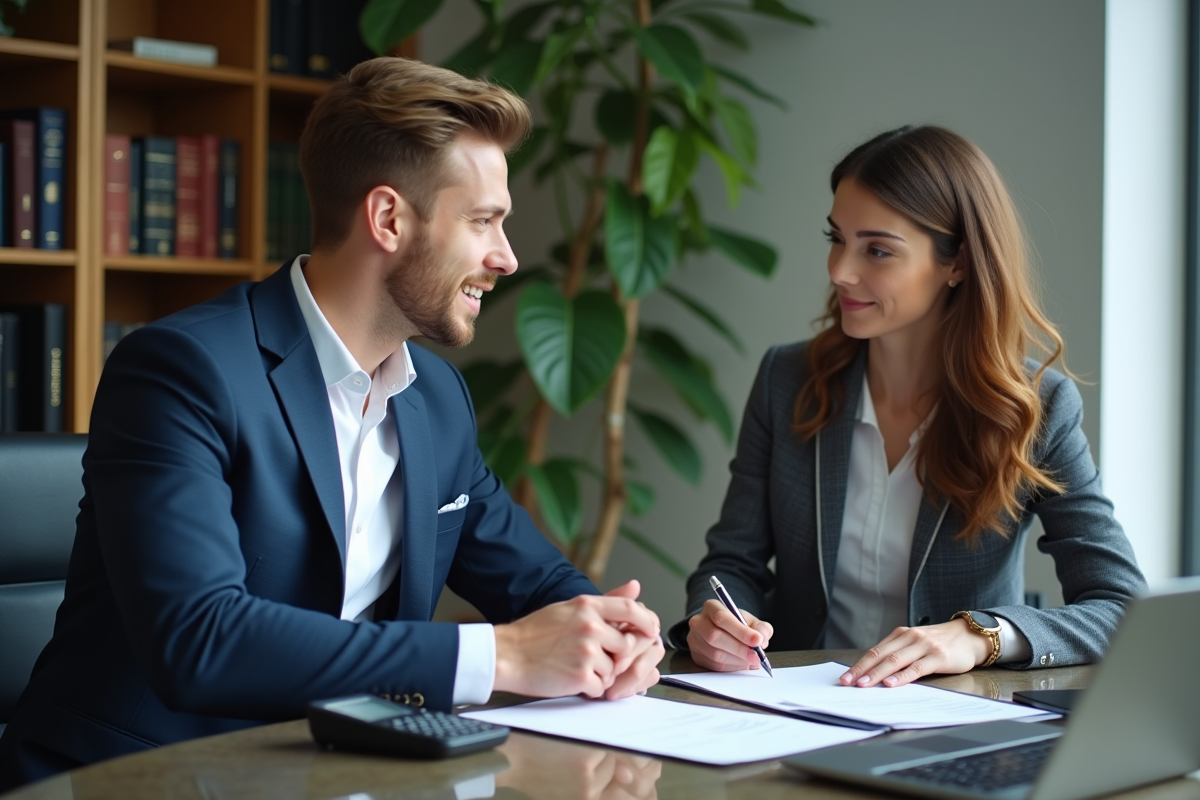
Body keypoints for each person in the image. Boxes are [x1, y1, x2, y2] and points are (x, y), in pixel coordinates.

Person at [0, 57, 663, 790]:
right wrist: (500, 659)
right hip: (134, 780)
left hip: (330, 775)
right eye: (483, 222)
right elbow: (199, 641)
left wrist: (611, 634)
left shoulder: (436, 399)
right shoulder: (180, 370)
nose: (505, 258)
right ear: (387, 219)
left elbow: (539, 586)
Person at [670, 125, 1145, 688]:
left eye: (877, 250)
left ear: (958, 263)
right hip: (796, 711)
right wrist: (716, 620)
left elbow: (1121, 606)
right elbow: (731, 564)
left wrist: (978, 635)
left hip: (953, 729)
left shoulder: (1036, 409)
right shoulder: (786, 378)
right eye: (836, 239)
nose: (840, 270)